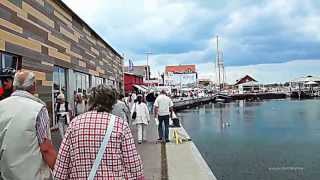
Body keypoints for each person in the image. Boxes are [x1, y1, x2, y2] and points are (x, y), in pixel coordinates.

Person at [54, 84, 144, 179]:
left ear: (91, 101)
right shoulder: (120, 125)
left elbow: (61, 167)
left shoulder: (75, 124)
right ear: (112, 102)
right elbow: (133, 165)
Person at [0, 71, 57, 179]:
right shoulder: (38, 109)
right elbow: (46, 149)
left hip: (6, 175)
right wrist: (60, 172)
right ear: (34, 86)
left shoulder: (1, 106)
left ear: (14, 86)